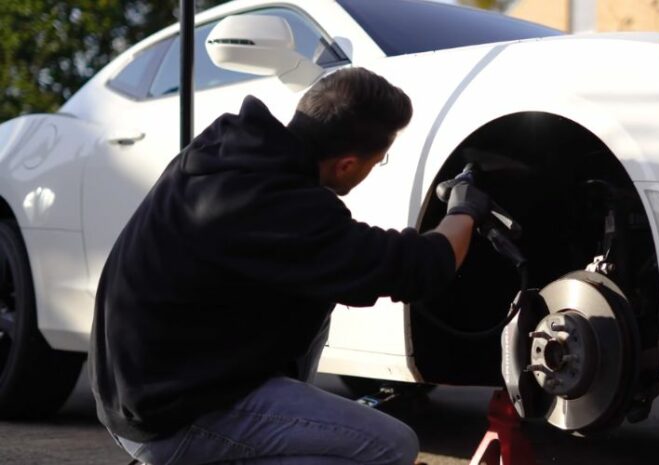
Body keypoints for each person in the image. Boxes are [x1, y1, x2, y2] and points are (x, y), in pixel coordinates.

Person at [89, 67, 491, 465]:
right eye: (378, 161)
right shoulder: (281, 206)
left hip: (141, 392)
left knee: (314, 296)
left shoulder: (228, 151)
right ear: (347, 164)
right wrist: (464, 209)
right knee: (392, 446)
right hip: (170, 420)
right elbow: (417, 266)